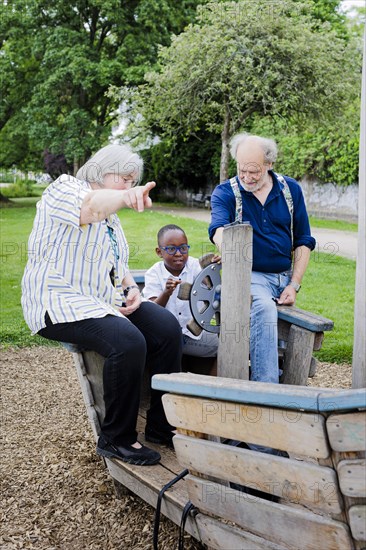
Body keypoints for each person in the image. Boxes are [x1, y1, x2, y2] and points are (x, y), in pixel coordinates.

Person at [21, 144, 182, 466]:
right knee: (127, 341)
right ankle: (116, 439)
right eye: (124, 178)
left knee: (166, 327)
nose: (128, 185)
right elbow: (91, 207)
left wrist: (128, 287)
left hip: (101, 301)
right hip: (58, 301)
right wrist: (125, 196)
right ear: (100, 171)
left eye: (132, 180)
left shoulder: (112, 221)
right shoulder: (64, 189)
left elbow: (114, 260)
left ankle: (161, 426)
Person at [209, 133, 316, 383]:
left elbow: (303, 240)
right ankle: (267, 389)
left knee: (286, 336)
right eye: (241, 169)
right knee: (265, 310)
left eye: (253, 171)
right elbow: (218, 229)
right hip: (250, 277)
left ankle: (285, 383)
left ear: (269, 164)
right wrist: (227, 248)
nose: (246, 177)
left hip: (283, 277)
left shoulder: (290, 190)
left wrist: (294, 284)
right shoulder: (226, 192)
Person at [142, 224, 219, 368]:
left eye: (183, 248)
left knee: (230, 344)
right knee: (222, 347)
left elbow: (213, 286)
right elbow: (153, 312)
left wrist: (215, 266)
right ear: (159, 252)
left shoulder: (196, 266)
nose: (178, 253)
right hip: (167, 337)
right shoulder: (154, 274)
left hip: (193, 334)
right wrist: (166, 293)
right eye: (171, 249)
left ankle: (210, 387)